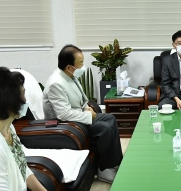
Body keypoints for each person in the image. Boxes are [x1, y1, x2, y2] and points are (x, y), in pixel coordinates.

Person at [42, 44, 123, 183]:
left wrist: (88, 108)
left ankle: (114, 163)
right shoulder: (56, 83)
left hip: (79, 115)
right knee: (104, 129)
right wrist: (87, 115)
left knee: (110, 118)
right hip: (66, 124)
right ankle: (103, 170)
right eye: (80, 63)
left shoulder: (70, 75)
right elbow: (63, 114)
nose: (83, 66)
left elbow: (82, 99)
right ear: (69, 67)